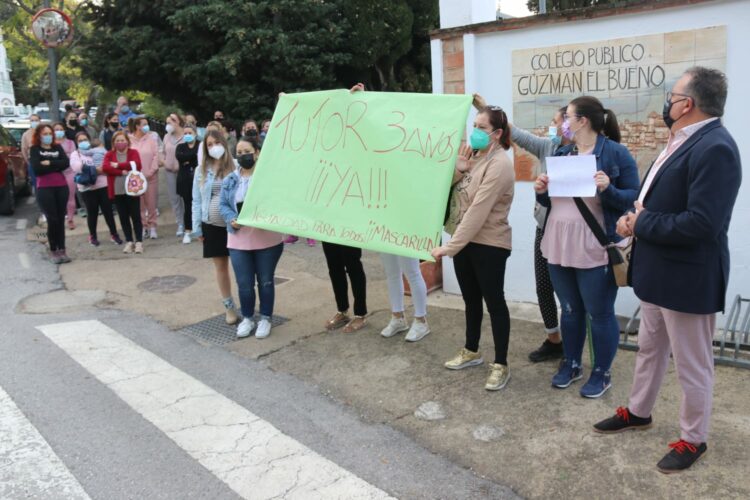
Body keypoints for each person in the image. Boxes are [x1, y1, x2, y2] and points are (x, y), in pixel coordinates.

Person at [593, 67, 742, 473]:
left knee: (693, 364)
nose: (668, 102)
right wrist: (632, 219)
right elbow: (655, 203)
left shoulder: (716, 148)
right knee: (650, 349)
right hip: (658, 271)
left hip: (688, 277)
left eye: (672, 95)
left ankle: (694, 439)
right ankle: (639, 411)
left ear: (687, 103)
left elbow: (702, 223)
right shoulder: (681, 141)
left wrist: (641, 224)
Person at [534, 96, 638, 398]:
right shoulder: (563, 153)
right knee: (569, 309)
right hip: (558, 242)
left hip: (595, 244)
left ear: (583, 121)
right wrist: (541, 191)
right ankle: (572, 363)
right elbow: (550, 201)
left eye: (567, 117)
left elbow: (633, 196)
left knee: (599, 312)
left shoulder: (615, 153)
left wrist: (609, 188)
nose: (563, 123)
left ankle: (602, 373)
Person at [431, 105, 515, 391]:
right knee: (470, 299)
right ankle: (471, 350)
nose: (476, 132)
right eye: (475, 125)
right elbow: (448, 191)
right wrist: (459, 169)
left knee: (494, 302)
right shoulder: (472, 156)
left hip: (490, 243)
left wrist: (449, 247)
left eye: (482, 127)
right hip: (464, 241)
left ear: (497, 133)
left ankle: (500, 364)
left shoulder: (500, 164)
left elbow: (478, 211)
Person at [220, 138, 284, 339]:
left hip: (267, 239)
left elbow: (278, 200)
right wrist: (231, 219)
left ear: (256, 152)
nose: (243, 155)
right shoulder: (230, 179)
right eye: (239, 152)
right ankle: (247, 318)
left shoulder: (268, 177)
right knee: (244, 283)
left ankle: (265, 318)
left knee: (265, 281)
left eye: (247, 151)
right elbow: (223, 205)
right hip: (238, 239)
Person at [191, 129, 240, 325]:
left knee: (241, 266)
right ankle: (229, 306)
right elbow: (196, 200)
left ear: (224, 143)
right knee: (221, 267)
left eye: (216, 143)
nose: (213, 147)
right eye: (209, 145)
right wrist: (197, 228)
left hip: (234, 225)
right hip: (211, 225)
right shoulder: (201, 170)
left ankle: (248, 301)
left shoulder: (235, 166)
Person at [69, 132, 122, 246]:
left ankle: (114, 234)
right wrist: (96, 170)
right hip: (87, 189)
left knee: (108, 211)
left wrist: (91, 170)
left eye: (85, 139)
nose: (83, 142)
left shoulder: (97, 150)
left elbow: (108, 165)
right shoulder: (75, 154)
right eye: (80, 140)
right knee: (92, 213)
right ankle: (92, 236)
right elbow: (76, 166)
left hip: (103, 186)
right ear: (76, 143)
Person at [29, 124, 71, 264]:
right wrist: (55, 164)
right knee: (52, 220)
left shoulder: (57, 147)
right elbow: (37, 169)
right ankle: (54, 250)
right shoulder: (35, 149)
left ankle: (62, 249)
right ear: (39, 135)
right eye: (45, 133)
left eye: (49, 133)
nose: (48, 136)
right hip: (45, 188)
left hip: (61, 186)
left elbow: (65, 163)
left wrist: (49, 162)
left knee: (60, 219)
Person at [102, 131, 144, 254]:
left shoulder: (133, 152)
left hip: (133, 190)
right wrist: (121, 171)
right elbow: (105, 167)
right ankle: (129, 241)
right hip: (117, 191)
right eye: (118, 141)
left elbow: (137, 164)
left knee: (136, 216)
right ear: (114, 142)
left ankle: (139, 242)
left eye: (122, 140)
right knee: (123, 217)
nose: (120, 143)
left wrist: (117, 165)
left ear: (127, 141)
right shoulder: (109, 154)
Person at [128, 116, 161, 239]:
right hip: (136, 178)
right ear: (137, 126)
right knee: (139, 205)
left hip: (151, 176)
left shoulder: (151, 139)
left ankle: (153, 226)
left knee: (151, 203)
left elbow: (156, 156)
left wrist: (151, 171)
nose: (147, 126)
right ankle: (143, 226)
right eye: (144, 124)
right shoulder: (129, 140)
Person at [163, 113, 187, 237]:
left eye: (170, 122)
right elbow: (162, 153)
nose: (168, 125)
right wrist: (165, 162)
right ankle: (180, 223)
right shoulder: (166, 137)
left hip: (183, 171)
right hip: (169, 172)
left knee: (186, 197)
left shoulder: (185, 135)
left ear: (177, 122)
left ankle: (189, 223)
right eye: (167, 123)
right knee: (174, 198)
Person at [175, 125, 199, 244]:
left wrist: (188, 160)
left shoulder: (201, 145)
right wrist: (192, 158)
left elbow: (200, 159)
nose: (187, 135)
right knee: (188, 206)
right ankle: (188, 231)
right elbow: (180, 157)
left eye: (189, 132)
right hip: (185, 180)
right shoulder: (180, 146)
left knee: (200, 205)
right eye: (185, 133)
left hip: (199, 179)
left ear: (195, 133)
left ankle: (201, 230)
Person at [53, 122, 77, 230]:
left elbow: (73, 157)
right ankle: (58, 219)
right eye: (56, 129)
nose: (58, 131)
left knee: (70, 196)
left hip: (69, 172)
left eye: (60, 129)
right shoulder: (51, 144)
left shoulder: (70, 143)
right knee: (56, 198)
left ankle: (70, 219)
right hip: (55, 174)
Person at [21, 114, 40, 195]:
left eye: (36, 120)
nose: (34, 122)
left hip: (45, 160)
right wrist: (28, 162)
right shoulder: (26, 134)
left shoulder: (44, 132)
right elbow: (24, 149)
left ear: (40, 121)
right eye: (32, 120)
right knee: (37, 185)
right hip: (33, 162)